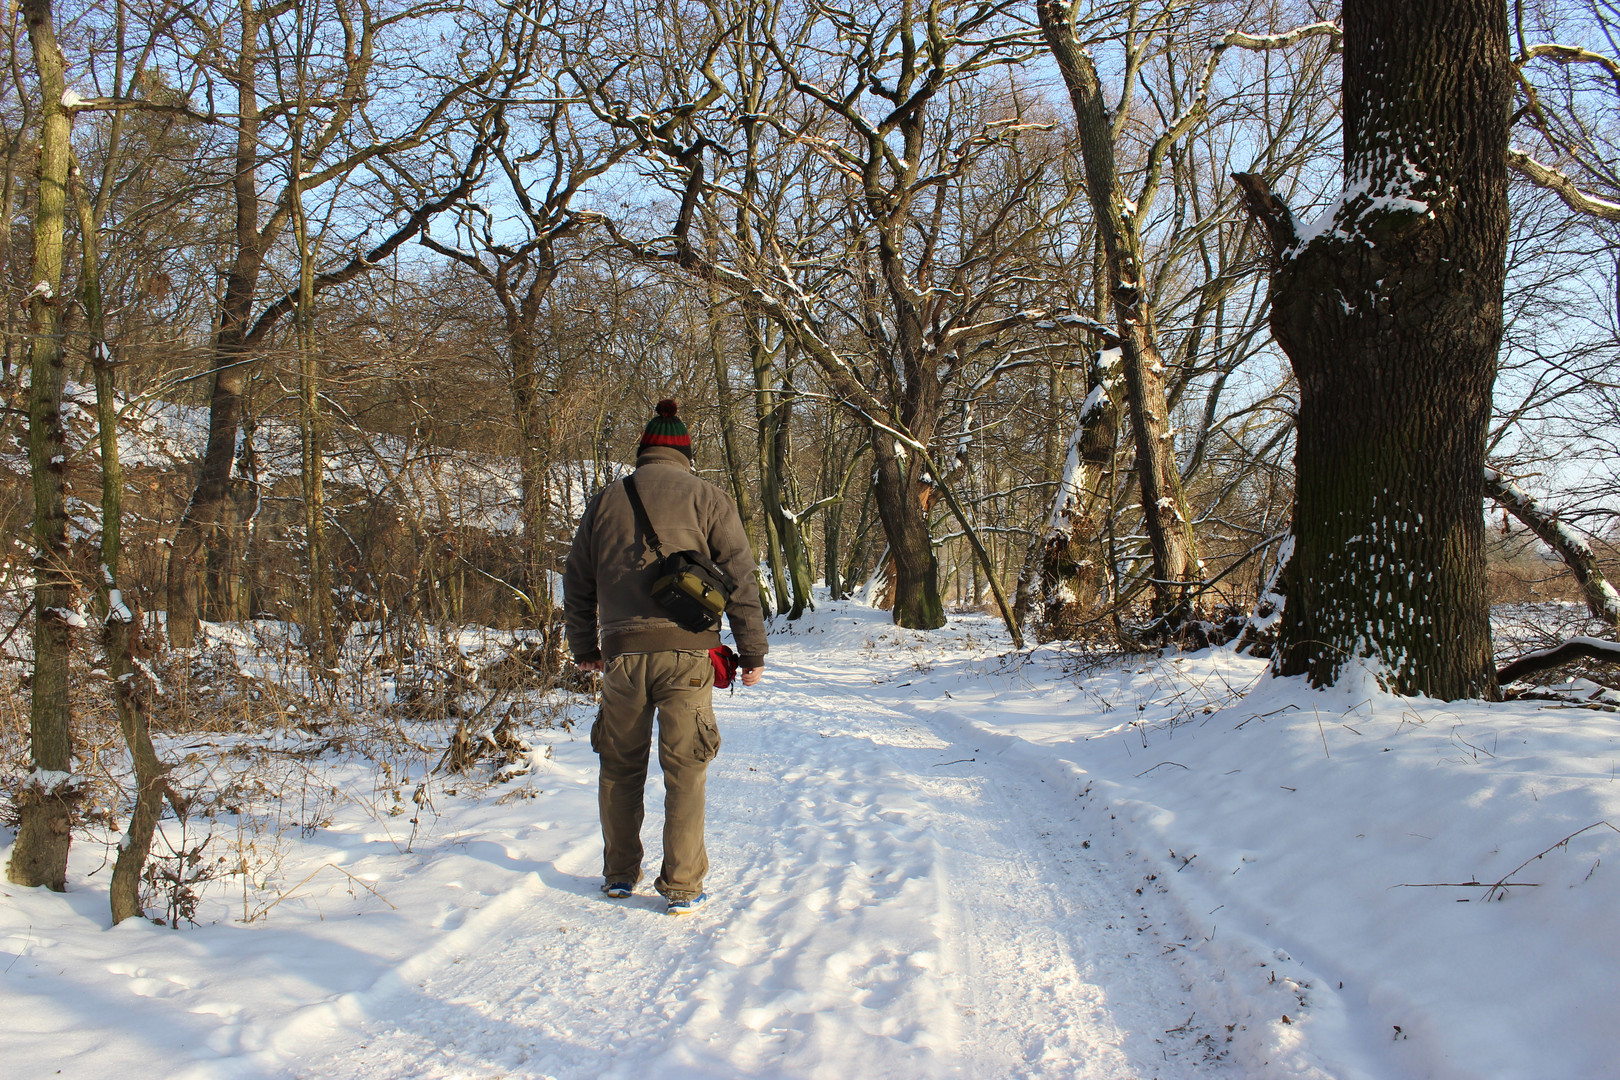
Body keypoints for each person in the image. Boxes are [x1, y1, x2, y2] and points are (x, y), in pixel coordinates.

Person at [564, 398, 767, 915]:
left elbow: (577, 579)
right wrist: (751, 652)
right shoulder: (710, 498)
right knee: (686, 768)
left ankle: (618, 874)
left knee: (619, 766)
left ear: (643, 451)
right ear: (685, 454)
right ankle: (681, 885)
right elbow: (741, 577)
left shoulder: (606, 501)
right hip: (689, 654)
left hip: (623, 657)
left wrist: (585, 646)